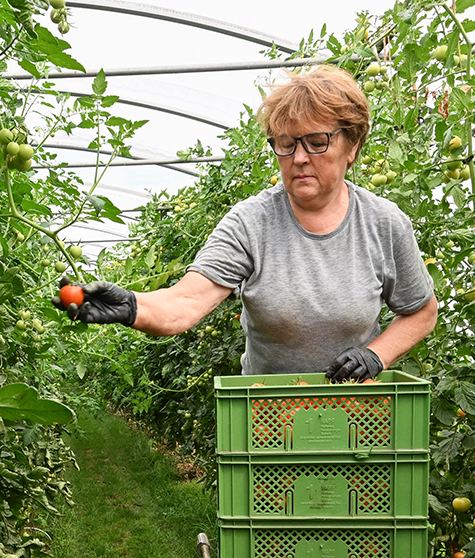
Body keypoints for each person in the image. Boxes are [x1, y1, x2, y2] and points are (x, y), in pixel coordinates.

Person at [56, 65, 437, 383]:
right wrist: (132, 307)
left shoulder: (383, 224)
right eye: (286, 143)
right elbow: (186, 302)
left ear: (352, 146)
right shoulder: (250, 223)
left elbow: (422, 310)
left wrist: (375, 355)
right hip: (269, 417)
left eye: (317, 141)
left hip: (355, 414)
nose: (299, 158)